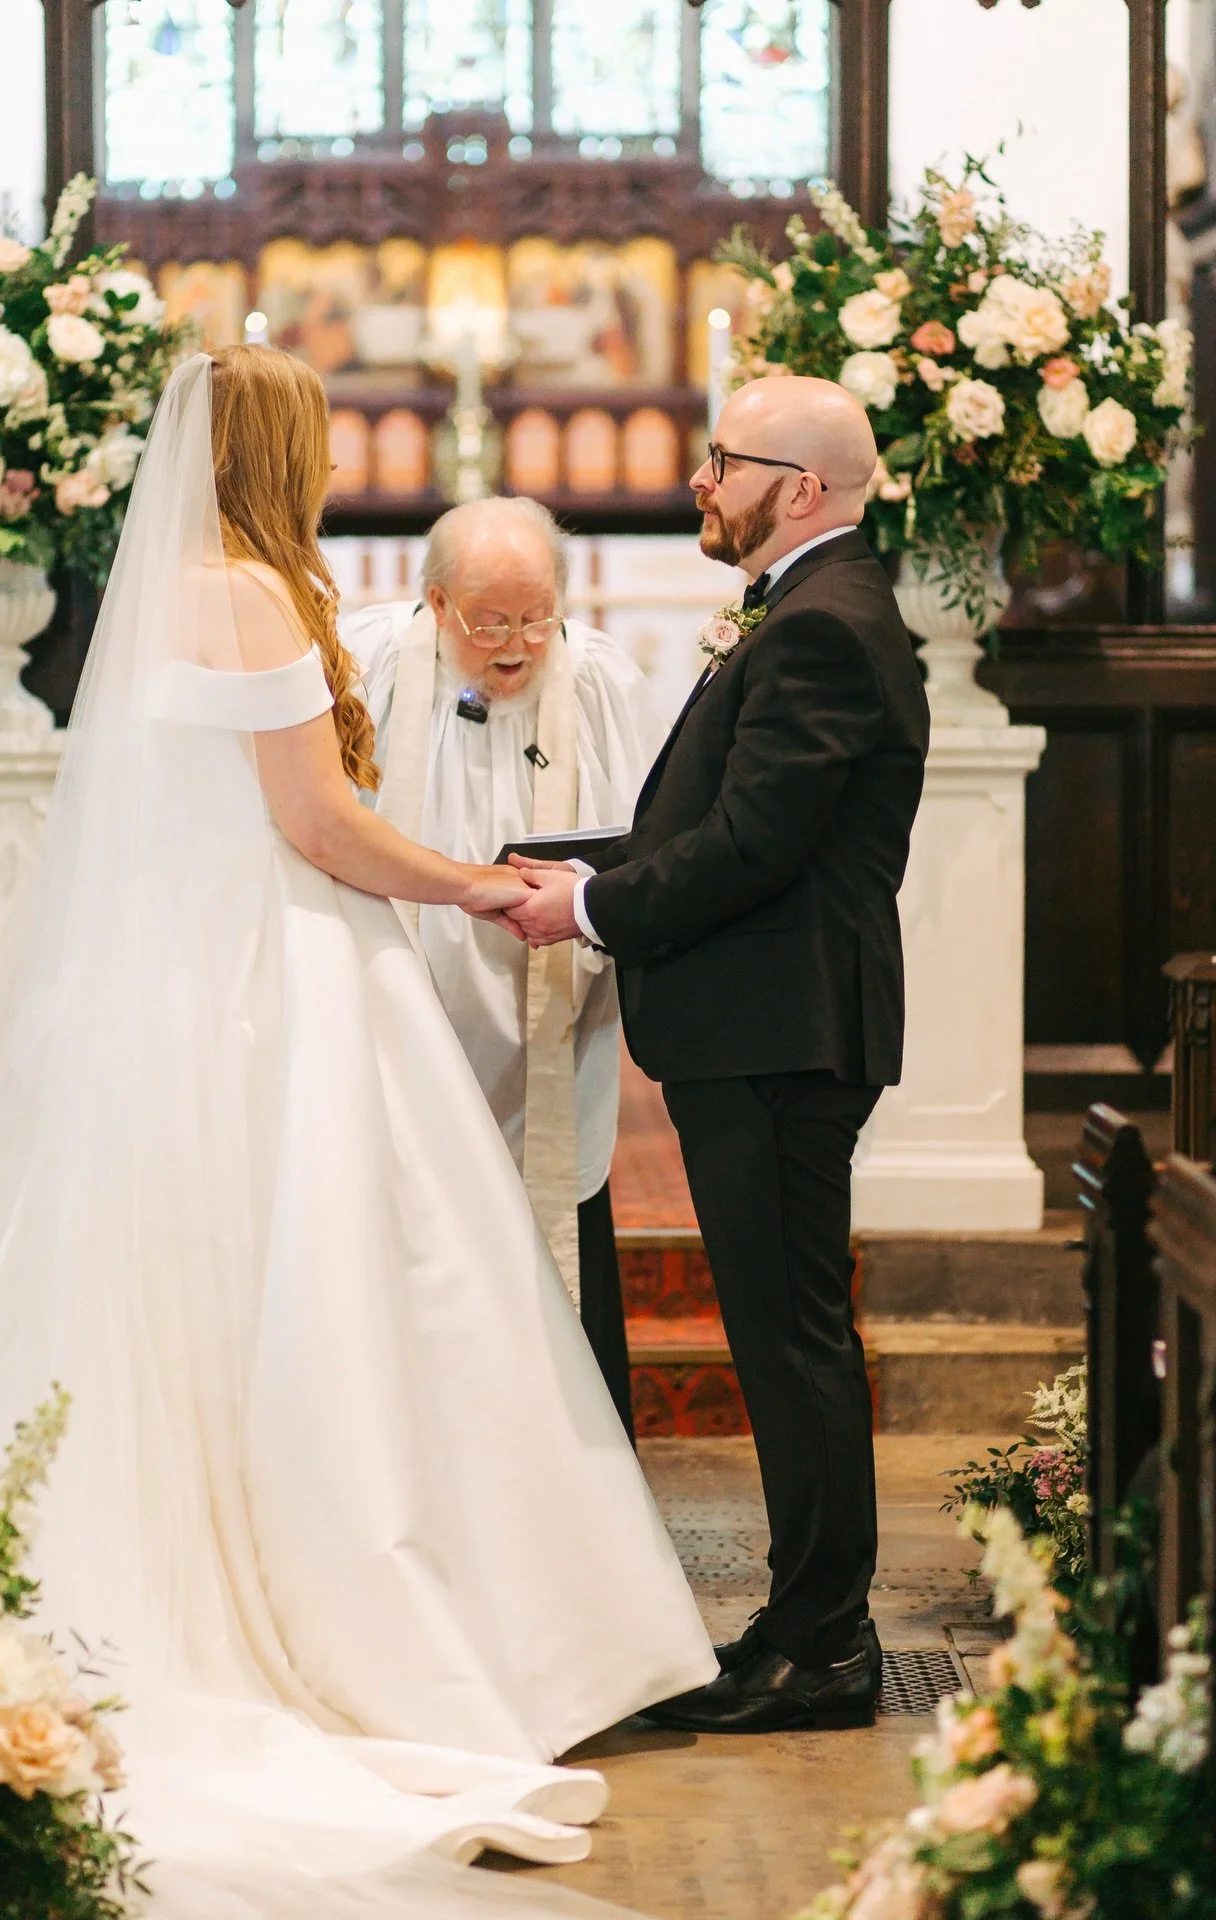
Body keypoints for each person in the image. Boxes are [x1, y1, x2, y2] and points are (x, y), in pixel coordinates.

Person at [0, 348, 717, 1913]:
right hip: (284, 975)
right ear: (275, 450)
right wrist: (478, 884)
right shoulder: (250, 591)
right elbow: (314, 823)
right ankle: (379, 1615)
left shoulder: (181, 588)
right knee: (365, 1288)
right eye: (315, 445)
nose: (330, 469)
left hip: (188, 981)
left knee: (210, 1298)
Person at [507, 374, 930, 1735]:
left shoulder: (822, 629)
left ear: (798, 488)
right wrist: (562, 865)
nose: (699, 482)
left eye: (722, 463)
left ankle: (829, 1647)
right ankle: (803, 1620)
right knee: (777, 1334)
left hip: (781, 1030)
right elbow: (715, 821)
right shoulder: (811, 612)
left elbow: (754, 851)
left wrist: (581, 905)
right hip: (769, 1023)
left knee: (793, 1342)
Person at [345, 498, 666, 1440]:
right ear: (436, 604)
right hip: (396, 1008)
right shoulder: (368, 665)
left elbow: (650, 838)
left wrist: (585, 908)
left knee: (549, 1223)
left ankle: (567, 1460)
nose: (519, 644)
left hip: (553, 1013)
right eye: (490, 621)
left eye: (538, 615)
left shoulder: (599, 677)